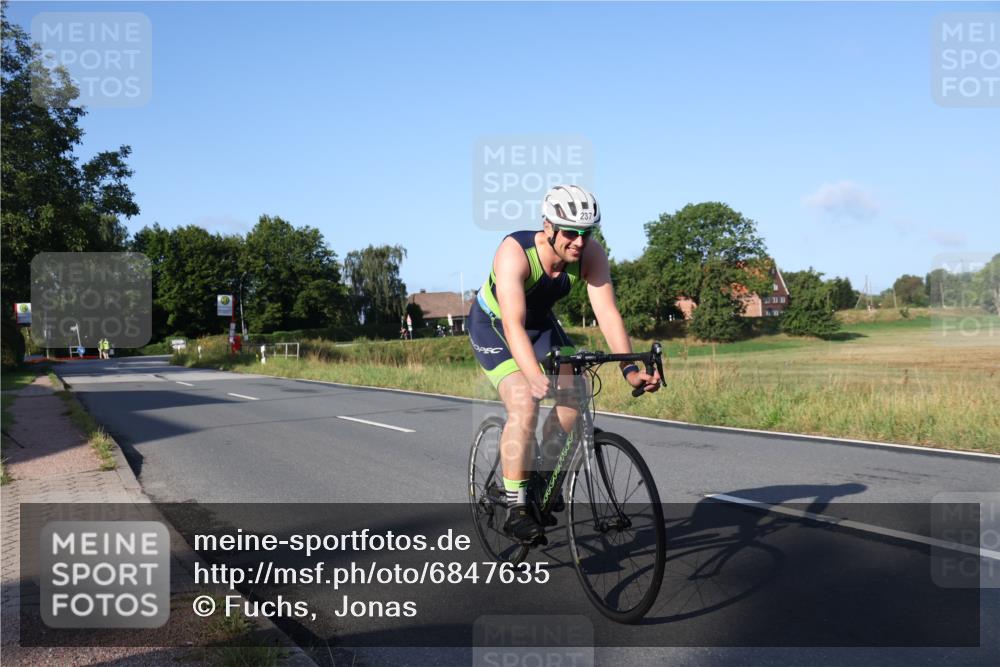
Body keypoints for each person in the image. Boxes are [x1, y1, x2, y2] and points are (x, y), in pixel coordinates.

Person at [467, 184, 661, 542]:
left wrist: (630, 369)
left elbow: (607, 312)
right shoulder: (515, 252)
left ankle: (540, 473)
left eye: (587, 233)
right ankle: (516, 507)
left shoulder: (591, 255)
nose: (579, 241)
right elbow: (512, 323)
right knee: (525, 400)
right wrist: (531, 375)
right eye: (570, 232)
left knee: (576, 393)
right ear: (548, 227)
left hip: (540, 326)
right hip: (494, 326)